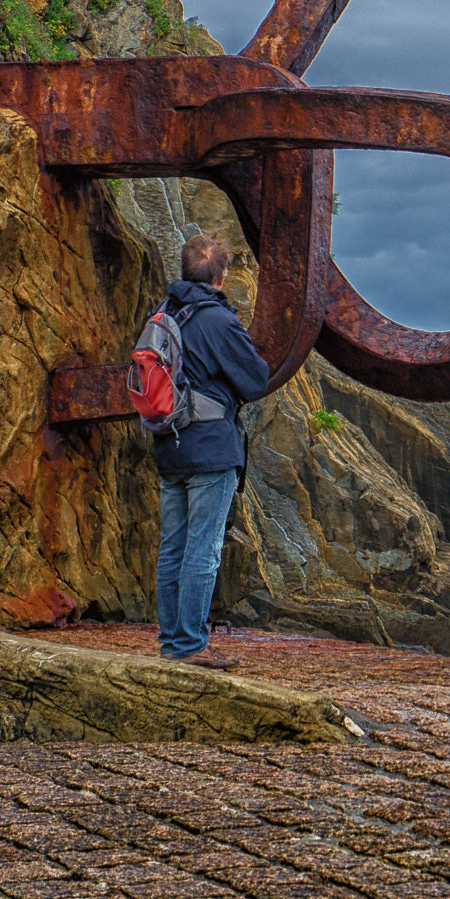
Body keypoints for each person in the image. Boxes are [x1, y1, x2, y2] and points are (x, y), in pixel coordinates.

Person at [151, 234, 274, 668]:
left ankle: (170, 642)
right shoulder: (218, 321)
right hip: (210, 448)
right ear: (221, 277)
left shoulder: (163, 314)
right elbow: (256, 380)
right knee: (203, 549)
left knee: (173, 548)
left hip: (170, 445)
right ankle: (189, 647)